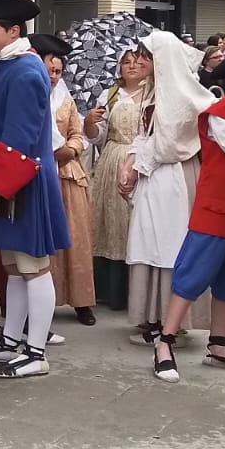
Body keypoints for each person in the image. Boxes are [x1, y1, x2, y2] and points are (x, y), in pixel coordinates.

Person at [0, 0, 70, 379]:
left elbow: (19, 138)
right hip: (15, 176)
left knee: (33, 268)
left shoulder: (24, 71)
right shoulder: (10, 67)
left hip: (23, 180)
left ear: (13, 31)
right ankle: (10, 341)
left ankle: (36, 352)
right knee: (15, 266)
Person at [150, 47, 225, 383]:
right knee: (192, 275)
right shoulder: (220, 111)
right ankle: (165, 342)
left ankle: (218, 342)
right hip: (217, 208)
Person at [123, 30, 214, 343]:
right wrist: (131, 161)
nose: (142, 62)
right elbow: (145, 136)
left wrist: (137, 166)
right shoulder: (154, 90)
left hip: (174, 175)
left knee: (170, 243)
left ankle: (170, 320)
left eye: (147, 56)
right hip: (155, 175)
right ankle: (153, 317)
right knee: (149, 240)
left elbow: (169, 145)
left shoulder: (179, 94)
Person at [34, 35, 95, 325]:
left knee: (75, 238)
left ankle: (81, 301)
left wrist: (71, 149)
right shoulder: (29, 94)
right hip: (35, 171)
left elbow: (77, 133)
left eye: (58, 72)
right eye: (49, 71)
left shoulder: (65, 98)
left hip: (66, 172)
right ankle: (28, 304)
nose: (54, 77)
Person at [86, 46, 150, 311]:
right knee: (108, 222)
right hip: (112, 157)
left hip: (141, 159)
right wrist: (89, 121)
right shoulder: (110, 95)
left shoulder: (153, 93)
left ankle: (134, 289)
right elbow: (97, 135)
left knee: (132, 223)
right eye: (126, 63)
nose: (132, 66)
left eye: (137, 61)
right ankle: (106, 288)